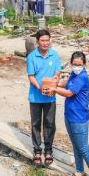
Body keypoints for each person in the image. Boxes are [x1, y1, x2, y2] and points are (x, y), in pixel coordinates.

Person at [52, 51, 89, 176]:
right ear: (71, 63)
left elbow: (69, 93)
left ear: (84, 64)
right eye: (74, 64)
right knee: (75, 145)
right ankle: (79, 171)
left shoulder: (83, 77)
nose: (76, 67)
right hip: (69, 115)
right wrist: (56, 82)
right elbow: (66, 83)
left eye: (79, 64)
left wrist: (54, 89)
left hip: (79, 118)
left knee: (84, 148)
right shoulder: (74, 74)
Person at [26, 29, 61, 167]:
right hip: (35, 97)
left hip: (50, 97)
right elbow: (31, 76)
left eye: (47, 40)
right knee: (35, 124)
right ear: (37, 42)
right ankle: (36, 150)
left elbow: (58, 70)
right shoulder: (32, 57)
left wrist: (56, 77)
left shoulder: (55, 55)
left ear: (50, 40)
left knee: (50, 124)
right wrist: (39, 87)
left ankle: (48, 150)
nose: (45, 43)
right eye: (42, 41)